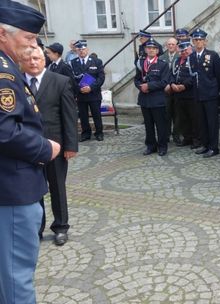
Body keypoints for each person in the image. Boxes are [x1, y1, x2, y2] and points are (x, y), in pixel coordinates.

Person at [0, 1, 61, 302]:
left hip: (10, 185)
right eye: (28, 38)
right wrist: (45, 147)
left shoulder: (9, 67)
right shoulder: (4, 74)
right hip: (13, 189)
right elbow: (5, 131)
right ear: (2, 33)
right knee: (17, 276)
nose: (34, 45)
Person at [21, 47, 78, 246]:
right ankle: (37, 228)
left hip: (55, 146)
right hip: (28, 146)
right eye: (28, 59)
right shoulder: (16, 82)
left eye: (36, 58)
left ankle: (61, 227)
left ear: (44, 60)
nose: (33, 62)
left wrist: (70, 145)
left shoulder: (60, 81)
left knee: (57, 188)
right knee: (33, 189)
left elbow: (69, 116)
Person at [189, 28, 220, 158]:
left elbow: (218, 75)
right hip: (197, 94)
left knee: (212, 122)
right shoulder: (191, 57)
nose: (198, 42)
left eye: (200, 40)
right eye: (196, 40)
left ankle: (214, 147)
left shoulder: (212, 55)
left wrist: (215, 90)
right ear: (193, 41)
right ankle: (205, 145)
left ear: (205, 41)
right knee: (201, 122)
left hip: (210, 94)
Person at [134, 38, 170, 156]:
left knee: (161, 125)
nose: (151, 50)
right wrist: (140, 86)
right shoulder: (141, 64)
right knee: (148, 125)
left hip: (157, 99)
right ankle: (151, 146)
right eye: (149, 48)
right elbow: (137, 79)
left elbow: (164, 82)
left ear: (157, 51)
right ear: (145, 49)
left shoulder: (162, 65)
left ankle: (162, 146)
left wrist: (149, 85)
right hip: (145, 99)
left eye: (154, 48)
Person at [71, 39, 106, 141]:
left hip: (94, 94)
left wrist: (91, 87)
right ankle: (86, 133)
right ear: (76, 51)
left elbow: (101, 78)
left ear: (87, 49)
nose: (81, 51)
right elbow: (72, 79)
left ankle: (99, 133)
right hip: (81, 94)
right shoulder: (73, 63)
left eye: (83, 49)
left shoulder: (96, 61)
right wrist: (78, 89)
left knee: (96, 114)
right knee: (83, 116)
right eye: (79, 50)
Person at [168, 40, 200, 148]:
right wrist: (172, 84)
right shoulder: (177, 61)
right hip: (178, 94)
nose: (184, 52)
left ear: (190, 49)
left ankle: (196, 139)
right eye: (182, 51)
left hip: (190, 94)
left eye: (186, 50)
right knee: (183, 118)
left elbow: (195, 76)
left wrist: (184, 85)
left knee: (194, 118)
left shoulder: (194, 60)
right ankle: (187, 138)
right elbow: (172, 74)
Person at [160, 37, 179, 144]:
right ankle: (166, 135)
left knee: (177, 114)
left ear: (176, 46)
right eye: (169, 44)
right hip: (165, 90)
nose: (171, 46)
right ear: (166, 46)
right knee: (166, 114)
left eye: (173, 44)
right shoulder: (161, 58)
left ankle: (177, 135)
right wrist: (165, 85)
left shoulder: (181, 57)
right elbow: (160, 74)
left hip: (177, 90)